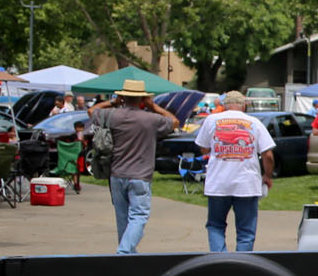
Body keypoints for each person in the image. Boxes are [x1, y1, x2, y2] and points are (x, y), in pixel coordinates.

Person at [89, 79, 180, 254]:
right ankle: (124, 251)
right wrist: (153, 106)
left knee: (122, 217)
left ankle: (127, 255)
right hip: (140, 174)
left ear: (123, 97)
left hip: (117, 173)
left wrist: (113, 102)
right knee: (139, 216)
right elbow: (174, 121)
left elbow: (91, 111)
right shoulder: (151, 119)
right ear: (142, 99)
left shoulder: (112, 116)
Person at [194, 91, 274, 253]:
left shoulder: (211, 120)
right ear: (243, 106)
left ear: (224, 105)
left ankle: (220, 260)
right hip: (247, 183)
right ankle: (242, 263)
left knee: (215, 225)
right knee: (246, 231)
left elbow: (203, 148)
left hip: (218, 183)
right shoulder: (255, 122)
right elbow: (268, 154)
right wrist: (267, 175)